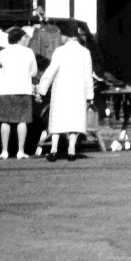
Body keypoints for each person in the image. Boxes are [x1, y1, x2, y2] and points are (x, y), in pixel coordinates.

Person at [36, 22, 94, 162]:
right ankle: (71, 149)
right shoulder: (85, 52)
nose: (60, 37)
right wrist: (89, 94)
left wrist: (41, 89)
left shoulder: (60, 51)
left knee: (57, 120)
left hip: (60, 90)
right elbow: (88, 75)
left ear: (67, 36)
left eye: (61, 35)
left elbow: (51, 71)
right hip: (77, 91)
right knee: (74, 120)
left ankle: (54, 149)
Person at [0, 27, 38, 160]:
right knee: (22, 121)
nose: (27, 40)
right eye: (25, 37)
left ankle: (4, 151)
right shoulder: (29, 52)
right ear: (20, 38)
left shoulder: (3, 52)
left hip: (5, 91)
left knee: (5, 121)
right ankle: (20, 151)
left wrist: (1, 72)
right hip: (23, 90)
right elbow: (33, 72)